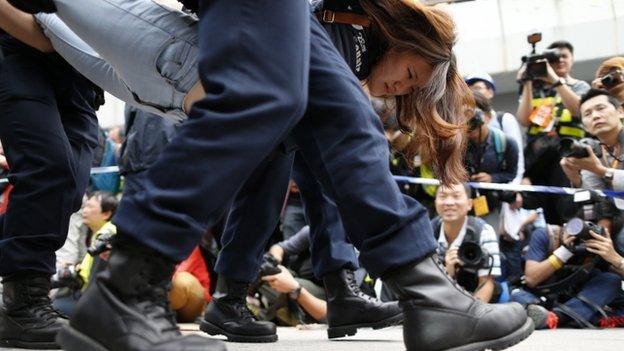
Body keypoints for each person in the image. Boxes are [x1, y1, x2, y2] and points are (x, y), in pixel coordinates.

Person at [15, 2, 532, 351]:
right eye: (412, 76)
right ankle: (126, 287)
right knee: (273, 98)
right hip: (163, 67)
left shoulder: (351, 43)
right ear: (405, 37)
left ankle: (427, 293)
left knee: (332, 112)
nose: (398, 88)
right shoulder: (352, 23)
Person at [0, 13, 103, 350]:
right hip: (19, 43)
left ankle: (28, 297)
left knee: (70, 183)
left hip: (80, 66)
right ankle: (23, 301)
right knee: (49, 166)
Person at [516, 40, 590, 225]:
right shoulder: (536, 91)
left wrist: (556, 81)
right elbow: (524, 120)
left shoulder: (579, 86)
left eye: (564, 56)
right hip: (540, 161)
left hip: (568, 157)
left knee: (568, 208)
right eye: (554, 58)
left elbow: (577, 110)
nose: (560, 61)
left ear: (572, 59)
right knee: (549, 214)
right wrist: (527, 83)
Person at [510, 223, 624, 329]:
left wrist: (616, 259)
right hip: (545, 296)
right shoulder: (548, 235)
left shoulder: (606, 243)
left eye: (593, 227)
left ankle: (556, 317)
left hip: (584, 297)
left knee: (612, 280)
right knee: (518, 297)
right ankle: (580, 317)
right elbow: (531, 279)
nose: (586, 236)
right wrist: (564, 252)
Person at [560, 89, 624, 256]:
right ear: (585, 126)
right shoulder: (594, 151)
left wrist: (600, 170)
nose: (595, 116)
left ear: (621, 111)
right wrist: (575, 178)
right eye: (587, 114)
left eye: (601, 108)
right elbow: (596, 196)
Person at [432, 183, 506, 303]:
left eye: (456, 196)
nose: (449, 202)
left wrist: (470, 318)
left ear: (469, 204)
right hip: (439, 297)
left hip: (475, 298)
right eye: (443, 196)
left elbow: (486, 283)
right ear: (435, 202)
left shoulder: (483, 231)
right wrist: (447, 272)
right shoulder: (428, 231)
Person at [464, 91, 519, 229]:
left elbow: (511, 174)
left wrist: (492, 178)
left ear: (487, 116)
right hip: (464, 202)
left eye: (472, 113)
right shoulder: (458, 144)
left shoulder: (506, 143)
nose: (468, 121)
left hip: (492, 204)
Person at [465, 71, 525, 183]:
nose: (472, 92)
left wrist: (512, 189)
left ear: (490, 92)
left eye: (477, 88)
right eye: (468, 89)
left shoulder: (504, 121)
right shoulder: (462, 139)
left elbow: (516, 166)